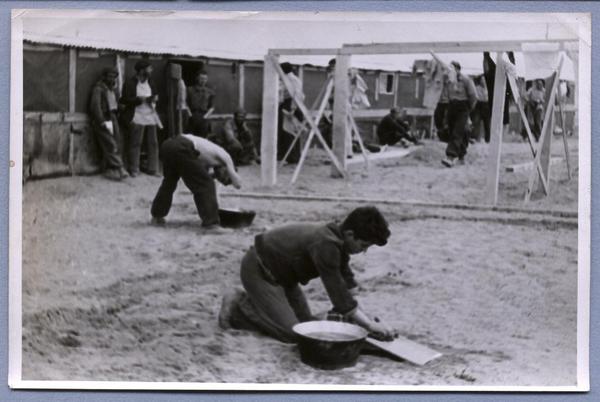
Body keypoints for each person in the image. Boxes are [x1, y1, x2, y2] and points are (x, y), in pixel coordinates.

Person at [218, 206, 398, 343]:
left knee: (307, 325)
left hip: (285, 280)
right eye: (364, 245)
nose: (364, 251)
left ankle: (260, 306)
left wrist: (368, 319)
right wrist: (368, 325)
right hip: (260, 270)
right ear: (350, 234)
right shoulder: (326, 244)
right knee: (293, 334)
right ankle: (238, 307)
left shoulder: (338, 239)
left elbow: (348, 286)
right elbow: (338, 295)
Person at [150, 134, 242, 229]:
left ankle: (157, 216)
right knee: (206, 184)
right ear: (228, 170)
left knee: (169, 182)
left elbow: (194, 176)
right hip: (182, 146)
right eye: (226, 178)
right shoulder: (226, 157)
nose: (221, 180)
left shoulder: (208, 158)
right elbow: (238, 185)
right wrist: (233, 177)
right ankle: (211, 223)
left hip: (169, 145)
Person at [119, 60, 160, 177]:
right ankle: (134, 168)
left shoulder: (151, 82)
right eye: (149, 68)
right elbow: (125, 99)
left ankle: (153, 168)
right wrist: (139, 100)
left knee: (153, 142)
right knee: (136, 142)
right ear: (142, 70)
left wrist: (155, 98)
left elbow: (156, 94)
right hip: (136, 114)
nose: (151, 71)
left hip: (150, 115)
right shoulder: (130, 83)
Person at [88, 67, 129, 181]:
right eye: (109, 76)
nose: (112, 78)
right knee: (110, 143)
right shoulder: (98, 89)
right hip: (104, 119)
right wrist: (101, 121)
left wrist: (120, 108)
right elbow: (95, 107)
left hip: (113, 117)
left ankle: (109, 169)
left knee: (117, 142)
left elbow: (112, 104)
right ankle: (120, 168)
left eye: (114, 76)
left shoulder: (111, 89)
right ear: (104, 76)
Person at [441, 61, 477, 168]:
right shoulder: (448, 81)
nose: (448, 71)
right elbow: (447, 94)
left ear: (457, 70)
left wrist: (468, 109)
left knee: (458, 131)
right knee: (454, 131)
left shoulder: (466, 80)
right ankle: (461, 155)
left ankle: (450, 157)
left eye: (451, 68)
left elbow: (473, 96)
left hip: (463, 107)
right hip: (452, 106)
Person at [277, 62, 304, 164]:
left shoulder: (293, 80)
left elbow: (297, 95)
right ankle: (288, 156)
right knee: (286, 132)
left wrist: (292, 109)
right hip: (286, 105)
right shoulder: (284, 79)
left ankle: (293, 157)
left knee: (290, 132)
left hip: (292, 106)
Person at [187, 70, 215, 138]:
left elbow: (212, 107)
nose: (203, 81)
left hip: (203, 116)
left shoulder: (210, 92)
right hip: (192, 116)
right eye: (201, 78)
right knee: (191, 137)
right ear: (197, 79)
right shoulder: (190, 90)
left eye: (205, 79)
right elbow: (186, 104)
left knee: (202, 138)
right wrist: (190, 115)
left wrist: (205, 117)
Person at [471, 76, 491, 143]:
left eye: (484, 80)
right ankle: (474, 137)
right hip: (479, 105)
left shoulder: (488, 88)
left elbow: (487, 97)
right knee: (476, 121)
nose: (484, 81)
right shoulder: (477, 88)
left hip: (486, 105)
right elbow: (477, 97)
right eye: (482, 79)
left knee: (487, 123)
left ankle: (488, 139)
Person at [434, 78, 450, 142]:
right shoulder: (439, 85)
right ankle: (441, 133)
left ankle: (445, 135)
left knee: (445, 119)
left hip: (447, 103)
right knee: (438, 118)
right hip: (440, 103)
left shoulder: (450, 85)